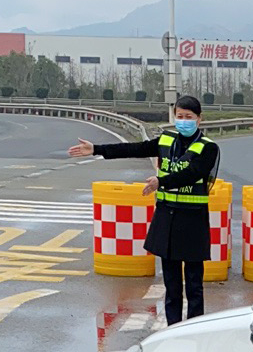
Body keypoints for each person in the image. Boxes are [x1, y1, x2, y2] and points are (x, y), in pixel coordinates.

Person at [68, 94, 220, 325]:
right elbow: (134, 148)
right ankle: (172, 328)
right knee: (171, 285)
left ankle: (193, 327)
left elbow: (192, 173)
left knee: (194, 285)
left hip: (192, 222)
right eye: (179, 116)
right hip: (167, 219)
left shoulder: (208, 148)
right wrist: (97, 149)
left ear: (199, 119)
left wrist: (161, 181)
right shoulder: (166, 140)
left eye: (188, 117)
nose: (183, 121)